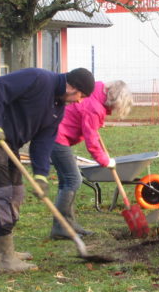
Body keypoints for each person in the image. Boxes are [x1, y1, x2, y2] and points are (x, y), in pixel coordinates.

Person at [0, 67, 95, 272]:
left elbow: (43, 143)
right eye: (81, 95)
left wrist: (41, 175)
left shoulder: (57, 109)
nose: (79, 101)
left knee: (16, 193)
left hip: (8, 142)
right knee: (2, 195)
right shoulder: (39, 79)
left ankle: (2, 249)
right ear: (71, 86)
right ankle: (6, 259)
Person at [49, 80, 133, 239]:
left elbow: (89, 126)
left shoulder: (97, 89)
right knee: (73, 179)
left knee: (66, 181)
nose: (116, 110)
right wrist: (106, 161)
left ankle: (69, 224)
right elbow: (91, 142)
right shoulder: (94, 108)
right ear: (115, 100)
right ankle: (60, 228)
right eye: (118, 107)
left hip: (56, 133)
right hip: (57, 138)